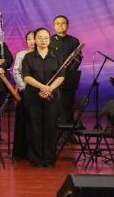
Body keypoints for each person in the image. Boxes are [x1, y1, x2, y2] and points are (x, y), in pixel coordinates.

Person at [22, 28, 64, 168]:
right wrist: (42, 87)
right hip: (33, 96)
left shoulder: (57, 55)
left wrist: (49, 89)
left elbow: (61, 76)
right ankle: (36, 159)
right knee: (35, 126)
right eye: (39, 37)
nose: (43, 40)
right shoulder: (28, 57)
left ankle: (49, 158)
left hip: (52, 96)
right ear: (35, 40)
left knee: (51, 126)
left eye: (46, 37)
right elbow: (26, 77)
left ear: (49, 39)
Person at [50, 15, 81, 121]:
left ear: (67, 26)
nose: (60, 25)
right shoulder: (49, 41)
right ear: (54, 26)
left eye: (63, 23)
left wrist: (67, 72)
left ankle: (67, 130)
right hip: (53, 78)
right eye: (57, 23)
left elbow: (78, 59)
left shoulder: (74, 40)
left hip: (69, 77)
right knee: (54, 107)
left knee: (67, 106)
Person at [11, 30, 36, 160]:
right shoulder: (21, 54)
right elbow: (16, 72)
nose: (32, 41)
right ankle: (21, 153)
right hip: (25, 91)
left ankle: (35, 152)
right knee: (22, 121)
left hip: (39, 93)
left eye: (34, 39)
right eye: (29, 39)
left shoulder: (44, 54)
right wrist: (24, 88)